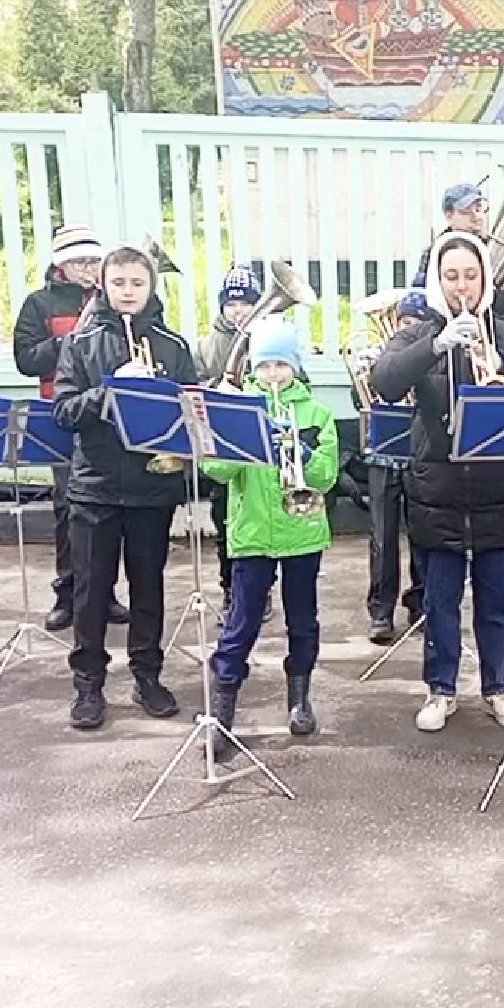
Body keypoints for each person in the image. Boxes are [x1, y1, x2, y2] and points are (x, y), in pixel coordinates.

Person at [369, 230, 504, 733]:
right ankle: (441, 689)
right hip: (437, 487)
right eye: (451, 276)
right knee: (440, 600)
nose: (461, 285)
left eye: (470, 275)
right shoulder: (417, 333)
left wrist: (499, 363)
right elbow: (385, 381)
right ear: (437, 281)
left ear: (485, 279)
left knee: (498, 603)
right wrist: (437, 344)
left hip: (498, 486)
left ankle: (497, 687)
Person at [51, 244, 198, 731]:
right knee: (91, 591)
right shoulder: (80, 342)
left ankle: (148, 676)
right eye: (119, 283)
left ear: (151, 286)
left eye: (137, 283)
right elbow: (64, 411)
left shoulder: (173, 346)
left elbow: (192, 410)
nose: (128, 291)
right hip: (94, 486)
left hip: (151, 486)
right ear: (104, 286)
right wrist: (111, 390)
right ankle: (88, 684)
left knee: (148, 587)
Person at [202, 316, 341, 740]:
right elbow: (216, 471)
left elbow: (326, 477)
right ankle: (223, 706)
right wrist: (241, 439)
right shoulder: (239, 410)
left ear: (295, 366)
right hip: (252, 534)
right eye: (264, 365)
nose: (273, 374)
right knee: (241, 621)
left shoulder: (316, 413)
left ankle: (299, 698)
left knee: (303, 619)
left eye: (281, 364)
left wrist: (303, 453)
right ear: (253, 368)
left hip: (302, 531)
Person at [11, 222, 128, 632]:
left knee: (106, 506)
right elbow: (27, 360)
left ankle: (104, 593)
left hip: (106, 417)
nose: (88, 269)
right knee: (67, 507)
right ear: (61, 265)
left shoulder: (111, 300)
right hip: (59, 413)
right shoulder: (38, 304)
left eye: (94, 261)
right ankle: (67, 593)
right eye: (80, 262)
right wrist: (70, 341)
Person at [350, 289, 427, 643]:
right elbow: (360, 402)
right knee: (382, 535)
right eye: (402, 322)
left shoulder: (428, 358)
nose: (404, 328)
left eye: (414, 323)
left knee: (422, 533)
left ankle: (421, 602)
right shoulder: (384, 356)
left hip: (419, 453)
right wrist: (366, 377)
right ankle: (380, 610)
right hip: (382, 454)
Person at [198, 263, 267, 614]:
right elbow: (194, 386)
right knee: (225, 520)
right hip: (222, 445)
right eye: (231, 304)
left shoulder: (270, 338)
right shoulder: (206, 345)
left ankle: (261, 592)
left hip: (259, 448)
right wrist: (219, 387)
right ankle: (230, 588)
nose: (238, 311)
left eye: (246, 303)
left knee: (262, 522)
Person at [411, 183, 490, 289]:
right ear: (449, 216)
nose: (477, 217)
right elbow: (420, 291)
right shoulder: (435, 252)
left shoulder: (489, 246)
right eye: (466, 211)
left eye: (478, 209)